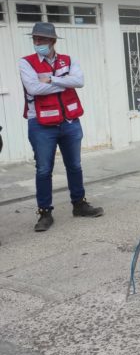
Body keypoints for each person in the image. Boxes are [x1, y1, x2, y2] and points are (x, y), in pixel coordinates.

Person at [19, 22, 104, 233]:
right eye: (35, 39)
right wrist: (65, 81)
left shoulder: (69, 59)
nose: (37, 42)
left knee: (74, 165)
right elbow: (34, 88)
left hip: (70, 122)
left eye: (42, 39)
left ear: (53, 41)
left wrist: (52, 79)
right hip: (41, 124)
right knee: (44, 169)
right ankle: (44, 213)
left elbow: (80, 81)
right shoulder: (26, 63)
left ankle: (79, 204)